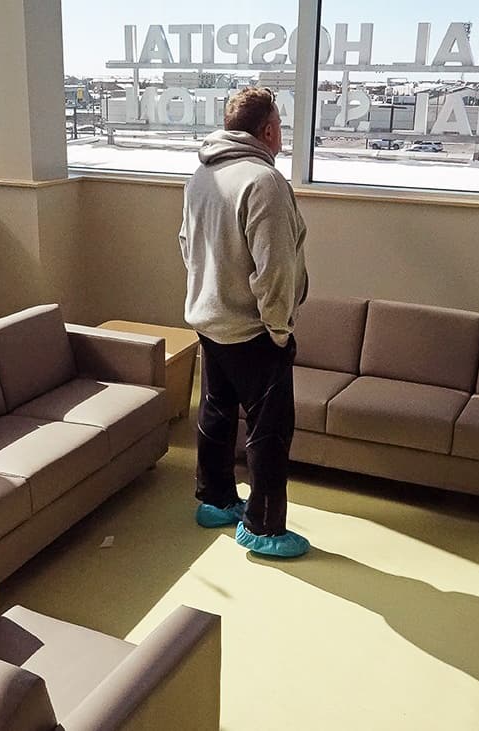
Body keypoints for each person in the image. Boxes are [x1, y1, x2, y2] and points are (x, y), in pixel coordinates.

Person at [179, 87, 310, 558]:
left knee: (215, 414)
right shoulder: (264, 182)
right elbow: (274, 268)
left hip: (209, 324)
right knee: (269, 432)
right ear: (269, 130)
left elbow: (186, 247)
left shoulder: (201, 176)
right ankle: (264, 529)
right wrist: (279, 330)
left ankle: (214, 501)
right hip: (255, 332)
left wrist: (208, 297)